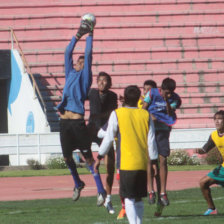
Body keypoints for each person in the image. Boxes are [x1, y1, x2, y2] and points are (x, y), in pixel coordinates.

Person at [57, 20, 106, 206]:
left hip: (77, 123)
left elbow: (88, 53)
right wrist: (78, 35)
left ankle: (100, 191)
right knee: (67, 157)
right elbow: (67, 52)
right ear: (76, 65)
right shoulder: (70, 73)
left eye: (84, 62)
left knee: (88, 159)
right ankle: (78, 183)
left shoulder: (86, 78)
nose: (81, 62)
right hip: (65, 123)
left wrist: (90, 34)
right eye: (79, 61)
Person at [94, 85, 158, 224]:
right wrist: (153, 162)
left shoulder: (117, 114)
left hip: (126, 163)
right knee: (139, 198)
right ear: (138, 99)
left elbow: (109, 138)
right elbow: (151, 141)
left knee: (128, 197)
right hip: (141, 163)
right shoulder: (145, 115)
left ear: (124, 97)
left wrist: (99, 156)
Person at [143, 77, 181, 209]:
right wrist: (149, 117)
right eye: (167, 92)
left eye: (171, 93)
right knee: (150, 160)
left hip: (164, 130)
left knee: (163, 160)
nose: (169, 95)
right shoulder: (152, 93)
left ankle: (163, 192)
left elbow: (171, 113)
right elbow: (143, 108)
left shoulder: (175, 98)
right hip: (151, 131)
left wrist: (167, 102)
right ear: (161, 89)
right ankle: (150, 191)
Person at [87, 71, 118, 214]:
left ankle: (108, 197)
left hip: (105, 131)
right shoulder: (91, 93)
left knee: (110, 164)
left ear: (109, 84)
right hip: (91, 128)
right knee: (86, 157)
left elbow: (112, 112)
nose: (101, 82)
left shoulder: (112, 96)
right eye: (99, 80)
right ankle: (100, 190)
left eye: (104, 80)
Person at [195, 110, 224, 215]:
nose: (217, 122)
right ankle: (212, 209)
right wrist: (200, 151)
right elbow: (206, 149)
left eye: (220, 119)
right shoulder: (214, 135)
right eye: (215, 119)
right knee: (203, 182)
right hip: (223, 168)